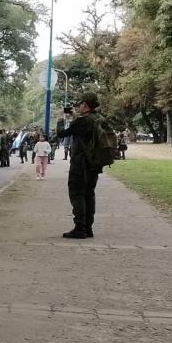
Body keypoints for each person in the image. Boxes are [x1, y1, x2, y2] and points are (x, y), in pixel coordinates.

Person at [56, 93, 103, 239]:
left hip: (80, 163)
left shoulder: (82, 122)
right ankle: (88, 228)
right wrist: (76, 117)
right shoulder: (99, 119)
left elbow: (61, 134)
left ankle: (79, 228)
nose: (78, 106)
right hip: (94, 163)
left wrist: (59, 118)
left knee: (77, 193)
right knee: (89, 194)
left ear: (85, 105)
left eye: (80, 103)